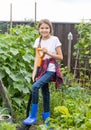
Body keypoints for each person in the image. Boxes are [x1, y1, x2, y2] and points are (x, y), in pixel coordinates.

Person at [23, 19, 63, 127]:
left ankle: (33, 116)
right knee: (45, 93)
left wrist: (48, 52)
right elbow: (37, 57)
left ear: (50, 29)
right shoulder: (38, 40)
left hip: (50, 69)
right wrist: (34, 71)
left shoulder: (55, 39)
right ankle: (47, 121)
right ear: (39, 29)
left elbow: (60, 57)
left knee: (35, 87)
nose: (44, 30)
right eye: (42, 28)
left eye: (46, 28)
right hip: (41, 69)